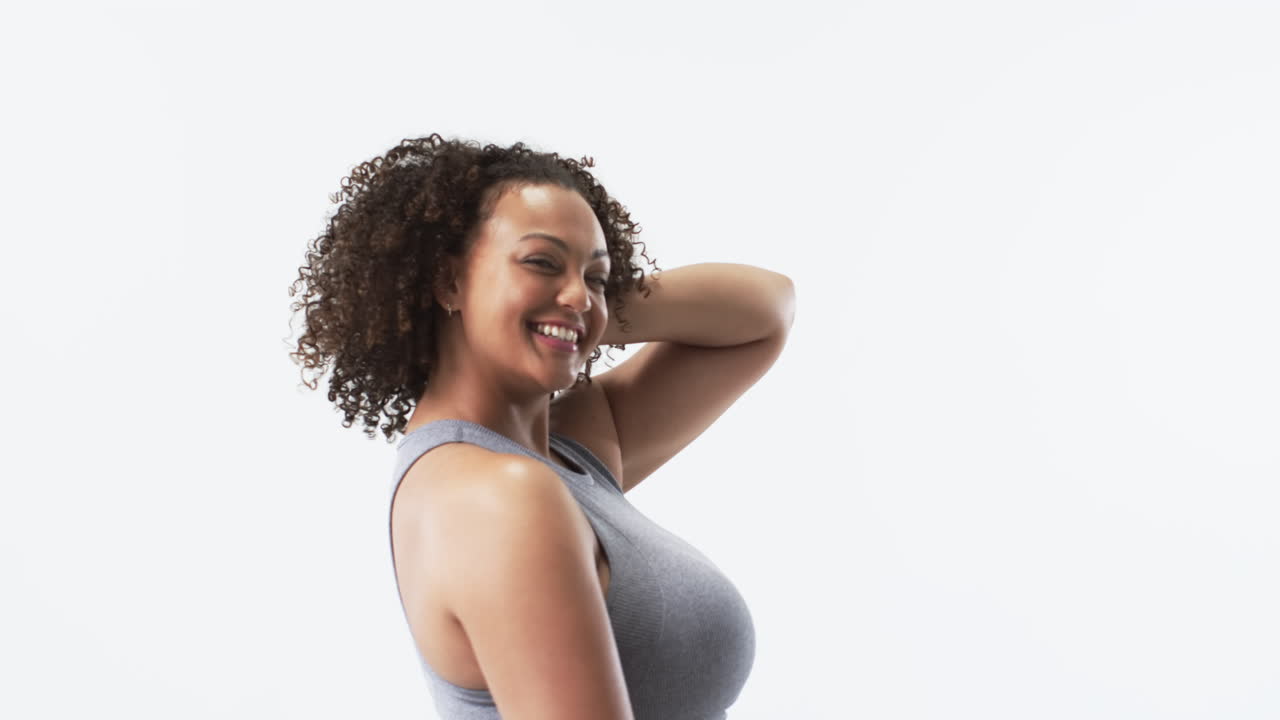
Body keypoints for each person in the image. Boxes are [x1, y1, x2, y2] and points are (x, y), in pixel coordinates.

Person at [287, 134, 796, 720]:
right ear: (448, 281)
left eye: (597, 276)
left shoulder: (564, 453)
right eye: (541, 262)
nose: (580, 293)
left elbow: (767, 309)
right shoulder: (498, 497)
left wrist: (578, 312)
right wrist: (563, 312)